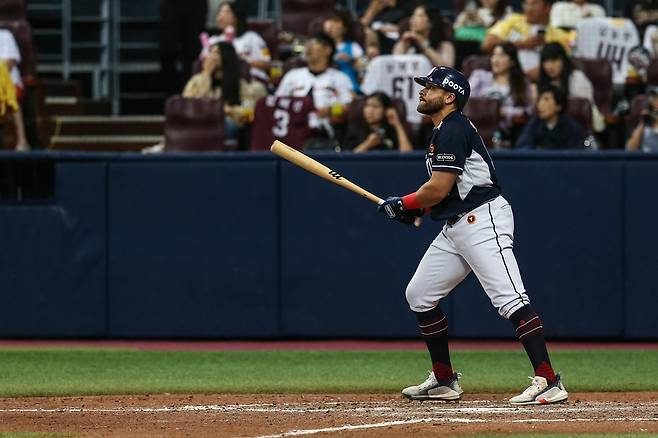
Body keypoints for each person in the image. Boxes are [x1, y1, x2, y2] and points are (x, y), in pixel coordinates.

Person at [376, 66, 569, 405]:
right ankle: (443, 379)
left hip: (483, 220)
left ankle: (549, 380)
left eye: (430, 87)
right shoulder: (442, 130)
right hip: (456, 226)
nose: (422, 92)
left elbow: (438, 188)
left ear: (449, 96)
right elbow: (445, 193)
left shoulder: (452, 129)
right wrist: (414, 209)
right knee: (419, 294)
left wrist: (403, 202)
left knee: (510, 299)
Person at [275, 32, 354, 148]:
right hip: (291, 129)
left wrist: (329, 110)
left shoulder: (340, 78)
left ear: (327, 50)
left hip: (324, 131)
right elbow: (277, 102)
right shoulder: (292, 75)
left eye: (314, 43)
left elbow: (348, 106)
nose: (308, 47)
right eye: (307, 44)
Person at [183, 42, 266, 145]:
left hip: (225, 123)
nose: (212, 57)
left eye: (217, 53)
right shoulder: (197, 79)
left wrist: (229, 110)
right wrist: (206, 73)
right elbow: (187, 103)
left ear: (226, 56)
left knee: (228, 124)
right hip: (200, 120)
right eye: (211, 52)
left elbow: (248, 110)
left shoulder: (239, 83)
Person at [481, 0, 570, 78]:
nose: (529, 8)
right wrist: (523, 44)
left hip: (541, 83)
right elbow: (486, 45)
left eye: (534, 3)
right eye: (526, 3)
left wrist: (529, 76)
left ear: (548, 7)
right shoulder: (512, 20)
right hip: (505, 78)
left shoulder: (561, 36)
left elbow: (564, 64)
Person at [469, 42, 534, 146]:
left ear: (512, 61)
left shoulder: (521, 83)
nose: (495, 60)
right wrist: (491, 109)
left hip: (510, 131)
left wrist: (505, 112)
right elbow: (467, 101)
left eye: (501, 55)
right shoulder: (480, 77)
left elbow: (528, 110)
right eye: (494, 55)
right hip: (479, 127)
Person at [536, 42, 605, 132]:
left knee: (589, 144)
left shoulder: (577, 78)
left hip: (582, 131)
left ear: (563, 61)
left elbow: (586, 110)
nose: (549, 66)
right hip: (551, 133)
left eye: (554, 60)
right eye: (546, 61)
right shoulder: (542, 83)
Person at [204, 1, 271, 82]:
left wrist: (241, 63)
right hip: (219, 81)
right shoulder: (213, 41)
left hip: (250, 80)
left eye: (226, 13)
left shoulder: (252, 37)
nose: (220, 16)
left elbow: (267, 63)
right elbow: (201, 63)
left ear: (236, 16)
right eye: (219, 13)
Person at [159, 0, 208, 96]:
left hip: (196, 5)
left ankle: (188, 94)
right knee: (167, 50)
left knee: (193, 52)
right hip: (171, 5)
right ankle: (172, 95)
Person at [515, 84, 584, 149]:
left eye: (546, 100)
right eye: (539, 100)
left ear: (559, 106)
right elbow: (522, 146)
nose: (540, 105)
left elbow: (576, 153)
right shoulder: (534, 124)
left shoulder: (571, 127)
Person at [343, 92, 413, 152]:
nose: (369, 111)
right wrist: (368, 143)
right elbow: (346, 161)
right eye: (367, 106)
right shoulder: (355, 129)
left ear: (386, 110)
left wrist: (397, 124)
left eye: (375, 107)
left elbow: (408, 157)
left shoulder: (392, 130)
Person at [392, 3, 455, 68]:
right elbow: (394, 63)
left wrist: (423, 44)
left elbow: (446, 68)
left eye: (420, 16)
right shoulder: (407, 40)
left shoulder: (444, 45)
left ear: (431, 22)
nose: (413, 19)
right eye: (413, 15)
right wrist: (403, 43)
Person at [323, 10, 365, 93]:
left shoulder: (353, 47)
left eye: (335, 21)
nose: (330, 25)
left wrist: (352, 60)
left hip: (348, 88)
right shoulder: (318, 46)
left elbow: (363, 68)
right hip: (324, 86)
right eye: (328, 20)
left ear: (345, 28)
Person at [0, 28, 28, 150]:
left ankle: (22, 140)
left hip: (10, 83)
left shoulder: (5, 35)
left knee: (13, 99)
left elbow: (10, 62)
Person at [626, 85, 658, 152]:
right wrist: (643, 123)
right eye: (654, 98)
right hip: (647, 159)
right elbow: (630, 149)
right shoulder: (647, 120)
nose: (655, 101)